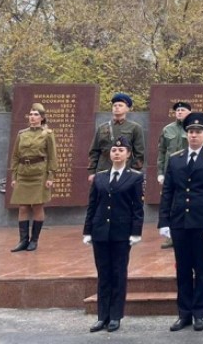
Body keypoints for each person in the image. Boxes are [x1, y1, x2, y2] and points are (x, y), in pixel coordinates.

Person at [158, 112, 203, 332]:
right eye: (190, 132)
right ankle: (184, 313)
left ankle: (199, 313)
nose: (194, 135)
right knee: (183, 270)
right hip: (179, 221)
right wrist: (164, 221)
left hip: (202, 223)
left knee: (201, 270)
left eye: (198, 132)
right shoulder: (176, 159)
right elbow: (168, 191)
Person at [83, 137, 145, 333]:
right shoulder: (100, 177)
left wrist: (136, 232)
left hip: (121, 233)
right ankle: (102, 316)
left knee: (118, 274)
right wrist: (87, 230)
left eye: (121, 150)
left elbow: (137, 207)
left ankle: (115, 316)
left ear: (128, 154)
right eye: (113, 151)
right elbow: (92, 205)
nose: (116, 153)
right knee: (103, 274)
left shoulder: (135, 177)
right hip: (100, 231)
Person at [9, 102, 58, 252]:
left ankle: (34, 240)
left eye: (36, 115)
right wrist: (14, 175)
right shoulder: (22, 134)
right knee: (23, 207)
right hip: (23, 173)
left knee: (37, 206)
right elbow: (15, 156)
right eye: (31, 114)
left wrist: (50, 176)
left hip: (39, 174)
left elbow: (52, 157)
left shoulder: (48, 134)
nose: (32, 117)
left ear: (42, 118)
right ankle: (23, 240)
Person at [156, 101, 191, 249]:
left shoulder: (193, 129)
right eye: (177, 110)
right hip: (170, 172)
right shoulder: (167, 129)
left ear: (189, 112)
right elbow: (162, 152)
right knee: (169, 204)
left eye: (183, 110)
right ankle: (170, 237)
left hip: (187, 173)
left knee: (186, 203)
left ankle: (187, 235)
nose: (180, 112)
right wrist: (160, 173)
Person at [88, 93, 145, 182]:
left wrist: (134, 172)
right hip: (103, 169)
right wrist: (92, 172)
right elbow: (94, 151)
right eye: (115, 105)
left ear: (127, 109)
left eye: (120, 105)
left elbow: (139, 153)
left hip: (125, 171)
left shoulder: (135, 128)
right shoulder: (102, 127)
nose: (117, 107)